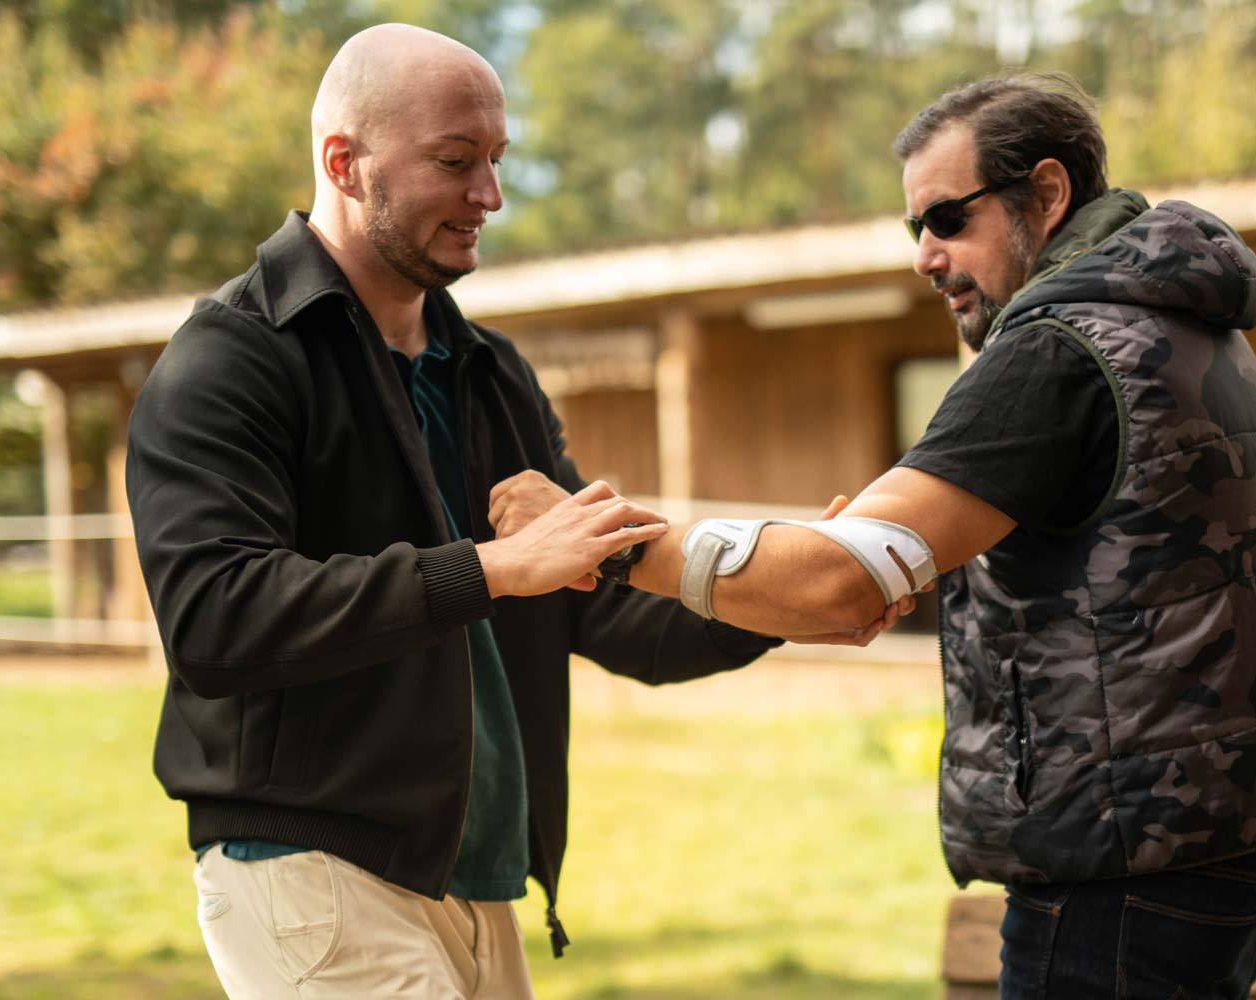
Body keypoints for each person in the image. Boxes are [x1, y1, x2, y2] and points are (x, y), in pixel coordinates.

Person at [491, 74, 1256, 999]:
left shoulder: (1056, 352)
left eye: (946, 218)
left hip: (1121, 867)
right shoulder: (1172, 318)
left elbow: (839, 583)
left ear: (1046, 195)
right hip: (1220, 843)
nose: (926, 257)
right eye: (913, 229)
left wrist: (603, 543)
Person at [125, 24, 810, 1000]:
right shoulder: (230, 360)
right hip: (312, 873)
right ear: (343, 162)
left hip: (477, 879)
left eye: (496, 161)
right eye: (456, 161)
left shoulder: (489, 372)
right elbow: (215, 618)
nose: (490, 196)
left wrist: (799, 592)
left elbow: (600, 604)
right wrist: (492, 568)